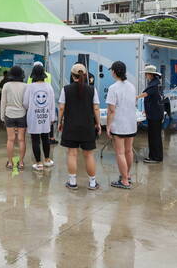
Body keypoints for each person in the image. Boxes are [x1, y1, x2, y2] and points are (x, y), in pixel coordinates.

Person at [58, 63, 101, 190]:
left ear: (72, 75)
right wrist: (98, 124)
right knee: (89, 155)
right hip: (87, 127)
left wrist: (60, 122)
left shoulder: (65, 89)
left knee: (72, 154)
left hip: (71, 126)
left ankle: (72, 182)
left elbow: (61, 108)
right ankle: (92, 183)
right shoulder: (92, 90)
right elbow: (96, 108)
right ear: (86, 75)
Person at [106, 61, 137, 189]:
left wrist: (108, 126)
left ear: (114, 72)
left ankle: (124, 180)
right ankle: (127, 175)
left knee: (120, 153)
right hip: (131, 123)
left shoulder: (113, 88)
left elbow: (111, 111)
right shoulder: (131, 86)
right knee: (129, 150)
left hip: (119, 124)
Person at [24, 64, 56, 171]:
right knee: (45, 138)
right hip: (46, 117)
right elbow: (52, 104)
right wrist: (52, 118)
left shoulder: (30, 87)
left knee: (35, 140)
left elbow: (25, 103)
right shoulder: (49, 86)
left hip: (33, 117)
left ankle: (38, 163)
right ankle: (47, 160)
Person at [0, 66, 27, 170]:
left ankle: (10, 163)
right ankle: (21, 163)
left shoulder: (6, 85)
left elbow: (3, 102)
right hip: (22, 114)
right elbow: (26, 102)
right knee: (21, 140)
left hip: (9, 114)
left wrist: (2, 116)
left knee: (10, 139)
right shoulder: (25, 86)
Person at [137, 65, 165, 163]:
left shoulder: (154, 84)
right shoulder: (155, 83)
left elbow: (145, 94)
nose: (145, 75)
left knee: (154, 136)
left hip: (155, 115)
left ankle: (156, 158)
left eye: (146, 74)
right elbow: (152, 99)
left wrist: (135, 97)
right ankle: (155, 156)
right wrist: (146, 110)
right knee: (154, 136)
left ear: (150, 74)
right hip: (154, 113)